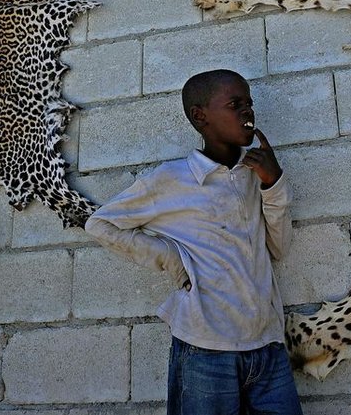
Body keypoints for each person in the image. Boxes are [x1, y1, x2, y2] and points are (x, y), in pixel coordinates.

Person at [85, 69, 303, 415]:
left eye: (249, 103)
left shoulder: (253, 175)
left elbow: (278, 248)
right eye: (235, 104)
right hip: (205, 349)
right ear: (200, 117)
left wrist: (273, 184)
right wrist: (172, 259)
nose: (248, 111)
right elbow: (101, 224)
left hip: (267, 346)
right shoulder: (172, 179)